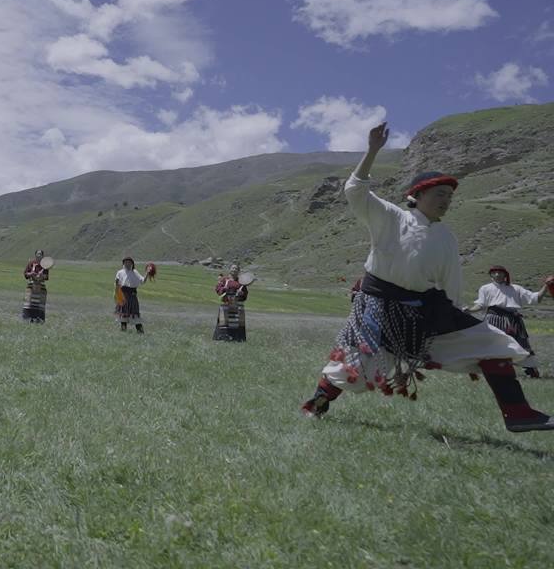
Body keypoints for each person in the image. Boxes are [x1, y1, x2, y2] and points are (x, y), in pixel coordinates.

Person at [300, 122, 554, 432]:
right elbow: (355, 191)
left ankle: (519, 414)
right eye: (439, 193)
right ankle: (317, 404)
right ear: (416, 195)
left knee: (494, 341)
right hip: (379, 309)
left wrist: (455, 312)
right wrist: (372, 150)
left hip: (427, 309)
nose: (446, 199)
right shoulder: (392, 217)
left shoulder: (446, 236)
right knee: (353, 367)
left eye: (449, 195)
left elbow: (450, 283)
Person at [467, 266, 550, 379]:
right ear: (491, 275)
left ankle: (531, 371)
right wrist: (470, 310)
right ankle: (485, 370)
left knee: (522, 345)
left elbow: (536, 298)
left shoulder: (516, 288)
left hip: (512, 321)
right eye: (494, 273)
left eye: (500, 272)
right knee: (489, 345)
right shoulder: (485, 288)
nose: (497, 275)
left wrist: (547, 285)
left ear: (505, 275)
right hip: (493, 319)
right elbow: (481, 305)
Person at [212, 264, 252, 341]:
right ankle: (222, 338)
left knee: (237, 323)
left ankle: (237, 339)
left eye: (236, 268)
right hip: (226, 305)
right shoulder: (224, 280)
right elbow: (218, 288)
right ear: (230, 269)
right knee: (224, 322)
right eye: (233, 268)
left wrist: (242, 293)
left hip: (237, 306)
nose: (234, 269)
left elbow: (245, 295)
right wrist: (223, 289)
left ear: (238, 271)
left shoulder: (241, 283)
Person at [114, 256, 150, 333]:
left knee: (135, 313)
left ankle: (140, 332)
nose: (127, 264)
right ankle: (123, 331)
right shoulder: (120, 272)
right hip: (122, 295)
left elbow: (142, 281)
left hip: (132, 296)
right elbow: (117, 284)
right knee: (123, 314)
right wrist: (116, 294)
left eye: (129, 262)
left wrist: (147, 272)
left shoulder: (135, 272)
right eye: (126, 262)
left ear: (132, 264)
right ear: (123, 263)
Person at [22, 250, 50, 323]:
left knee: (39, 305)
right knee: (29, 303)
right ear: (35, 255)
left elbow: (46, 276)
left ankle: (39, 319)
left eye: (40, 254)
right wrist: (31, 273)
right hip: (31, 287)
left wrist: (41, 275)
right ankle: (28, 318)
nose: (39, 255)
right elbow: (25, 274)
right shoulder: (31, 263)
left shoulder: (45, 265)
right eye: (38, 254)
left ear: (42, 256)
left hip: (41, 288)